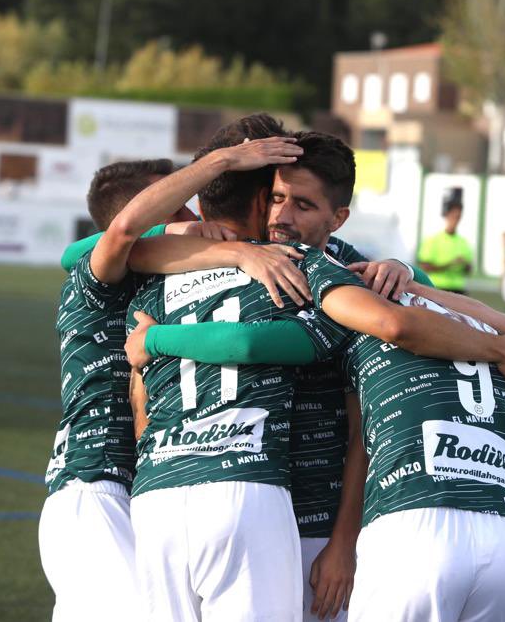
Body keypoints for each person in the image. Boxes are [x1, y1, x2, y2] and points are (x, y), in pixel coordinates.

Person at [124, 134, 505, 622]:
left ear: (337, 218)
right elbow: (117, 251)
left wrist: (343, 543)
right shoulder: (234, 255)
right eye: (276, 198)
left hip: (316, 518)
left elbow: (368, 413)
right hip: (247, 501)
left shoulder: (338, 270)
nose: (282, 217)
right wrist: (227, 251)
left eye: (302, 204)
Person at [39, 140, 310, 622]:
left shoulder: (148, 271)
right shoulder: (94, 272)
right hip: (93, 489)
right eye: (177, 202)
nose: (195, 214)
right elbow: (114, 234)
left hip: (134, 491)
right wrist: (217, 168)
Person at [418, 200, 474, 294]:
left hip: (458, 289)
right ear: (447, 216)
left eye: (458, 217)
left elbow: (469, 270)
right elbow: (424, 266)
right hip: (437, 287)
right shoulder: (433, 240)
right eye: (454, 216)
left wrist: (465, 265)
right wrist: (450, 264)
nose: (456, 220)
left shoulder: (464, 242)